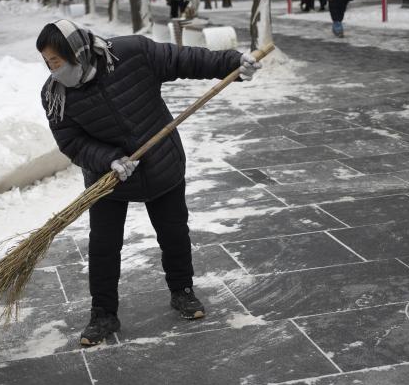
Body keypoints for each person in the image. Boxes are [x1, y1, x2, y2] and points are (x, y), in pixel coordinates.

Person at [36, 19, 262, 346]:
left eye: (56, 62)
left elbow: (185, 59)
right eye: (47, 64)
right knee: (103, 244)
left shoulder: (131, 54)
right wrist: (108, 159)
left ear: (77, 53)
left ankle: (182, 291)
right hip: (108, 177)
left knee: (173, 231)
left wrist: (233, 64)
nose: (53, 71)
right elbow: (72, 143)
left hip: (159, 160)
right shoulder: (56, 95)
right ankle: (103, 312)